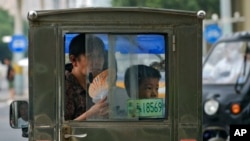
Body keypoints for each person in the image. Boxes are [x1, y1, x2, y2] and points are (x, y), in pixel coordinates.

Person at [65, 34, 109, 121]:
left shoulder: (96, 86)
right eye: (91, 56)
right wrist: (91, 113)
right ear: (74, 60)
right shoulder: (63, 87)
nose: (97, 62)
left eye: (100, 56)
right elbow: (62, 129)